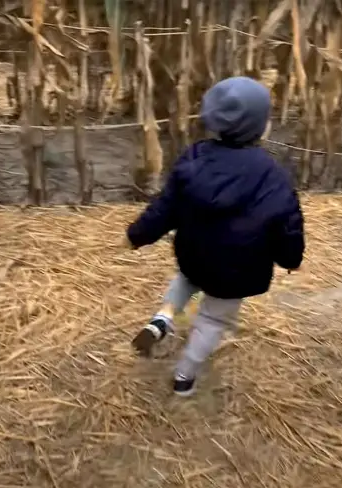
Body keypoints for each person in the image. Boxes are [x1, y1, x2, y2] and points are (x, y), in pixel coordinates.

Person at [123, 76, 305, 397]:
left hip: (195, 252)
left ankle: (162, 320)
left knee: (186, 281)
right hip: (237, 270)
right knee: (212, 320)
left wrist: (136, 235)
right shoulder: (273, 176)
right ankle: (184, 377)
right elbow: (287, 223)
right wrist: (290, 258)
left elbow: (165, 208)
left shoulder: (194, 158)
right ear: (260, 127)